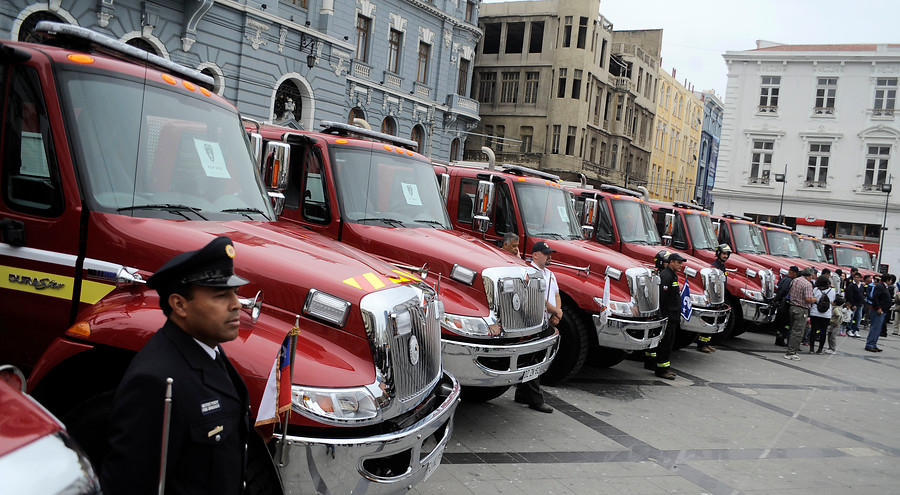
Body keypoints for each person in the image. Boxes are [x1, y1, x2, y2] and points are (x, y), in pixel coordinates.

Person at [101, 236, 251, 495]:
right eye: (221, 295)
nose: (237, 305)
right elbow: (130, 484)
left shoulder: (206, 349)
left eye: (235, 293)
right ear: (179, 304)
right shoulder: (155, 382)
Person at [514, 241, 558, 413]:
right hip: (534, 323)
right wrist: (557, 312)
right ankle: (536, 400)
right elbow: (538, 299)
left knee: (537, 358)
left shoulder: (550, 274)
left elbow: (556, 294)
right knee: (535, 361)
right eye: (546, 253)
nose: (549, 256)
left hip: (547, 321)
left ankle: (521, 394)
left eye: (550, 253)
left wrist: (557, 312)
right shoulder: (530, 273)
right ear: (535, 255)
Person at [645, 250, 685, 380]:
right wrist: (663, 315)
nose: (681, 266)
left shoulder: (672, 275)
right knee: (666, 344)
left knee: (664, 343)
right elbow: (662, 297)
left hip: (671, 315)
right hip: (667, 316)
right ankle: (662, 369)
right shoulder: (666, 276)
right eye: (678, 263)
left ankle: (654, 365)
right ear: (671, 262)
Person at [698, 244, 732, 353]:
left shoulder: (722, 266)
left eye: (727, 254)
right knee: (709, 321)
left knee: (714, 321)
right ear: (718, 253)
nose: (725, 256)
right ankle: (701, 344)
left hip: (719, 298)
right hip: (713, 298)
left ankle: (707, 343)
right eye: (724, 253)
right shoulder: (715, 266)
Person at [785, 267, 817, 360]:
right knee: (798, 331)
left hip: (792, 306)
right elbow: (808, 299)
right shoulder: (808, 284)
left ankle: (790, 348)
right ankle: (791, 352)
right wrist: (814, 299)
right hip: (801, 309)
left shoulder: (795, 280)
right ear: (809, 275)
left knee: (792, 329)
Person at [771, 265, 799, 347]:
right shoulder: (789, 280)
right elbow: (783, 291)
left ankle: (779, 338)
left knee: (781, 323)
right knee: (784, 323)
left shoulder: (783, 278)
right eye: (795, 273)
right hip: (784, 304)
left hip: (780, 303)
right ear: (793, 272)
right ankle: (780, 339)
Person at [809, 274, 835, 354]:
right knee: (823, 332)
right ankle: (820, 349)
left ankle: (811, 348)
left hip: (814, 312)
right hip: (826, 314)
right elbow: (832, 301)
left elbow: (812, 299)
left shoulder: (815, 290)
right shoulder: (832, 291)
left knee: (813, 330)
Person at [865, 274, 890, 352]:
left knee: (878, 329)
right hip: (877, 310)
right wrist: (878, 307)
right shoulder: (880, 286)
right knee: (875, 327)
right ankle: (869, 344)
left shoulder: (884, 286)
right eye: (890, 280)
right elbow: (875, 298)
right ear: (887, 280)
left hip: (883, 310)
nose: (891, 281)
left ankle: (874, 344)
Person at [844, 271, 864, 338]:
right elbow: (850, 295)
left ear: (860, 278)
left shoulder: (861, 286)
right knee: (851, 317)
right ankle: (849, 329)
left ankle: (856, 330)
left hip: (859, 304)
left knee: (859, 318)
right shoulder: (851, 285)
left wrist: (862, 303)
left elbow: (862, 295)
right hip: (854, 304)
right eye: (855, 277)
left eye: (857, 277)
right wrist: (852, 304)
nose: (856, 279)